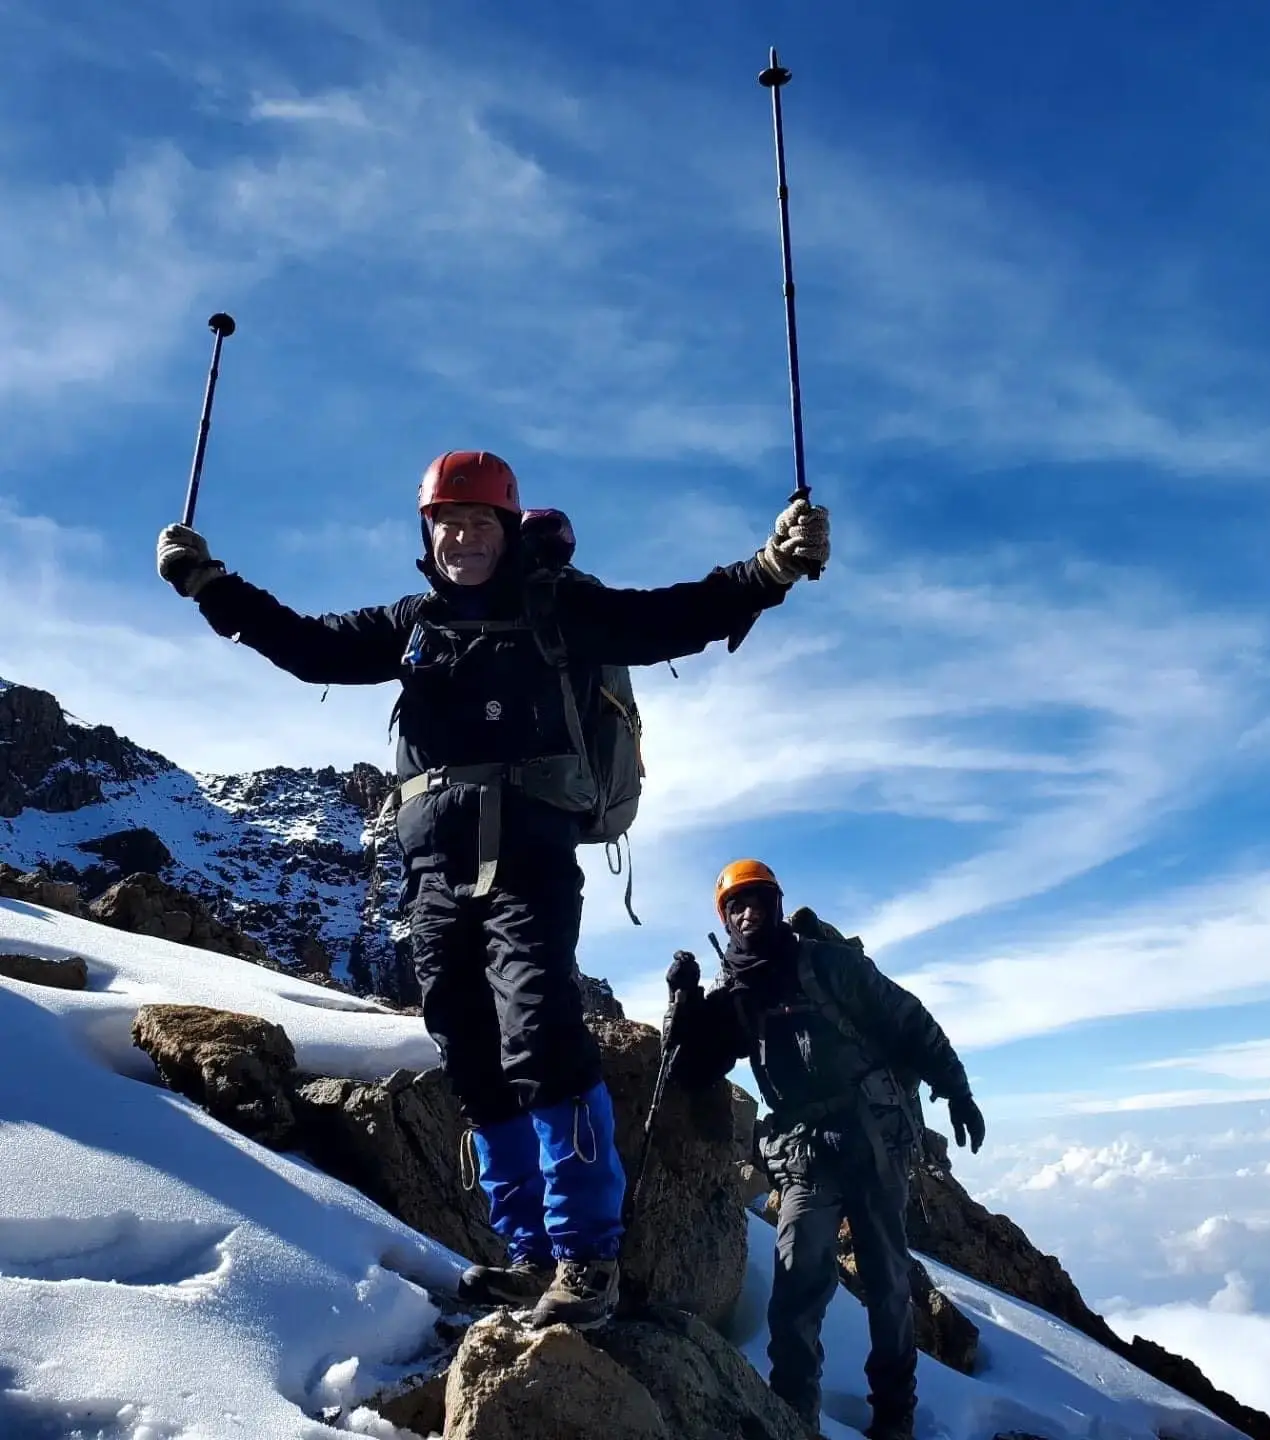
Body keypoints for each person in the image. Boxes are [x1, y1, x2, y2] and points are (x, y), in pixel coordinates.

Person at [155, 451, 829, 1329]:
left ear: (508, 534)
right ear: (427, 535)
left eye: (479, 525)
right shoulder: (410, 622)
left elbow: (673, 618)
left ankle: (588, 1258)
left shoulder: (559, 611)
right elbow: (305, 645)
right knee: (470, 1054)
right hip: (433, 874)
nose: (463, 540)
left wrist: (770, 570)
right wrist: (210, 584)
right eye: (447, 525)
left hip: (529, 863)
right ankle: (529, 1255)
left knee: (542, 1037)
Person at [665, 859, 985, 1440]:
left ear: (777, 905)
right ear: (726, 920)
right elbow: (691, 1069)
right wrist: (682, 1000)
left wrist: (956, 1089)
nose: (747, 912)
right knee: (794, 1294)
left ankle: (895, 1419)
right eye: (735, 906)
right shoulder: (739, 994)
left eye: (757, 900)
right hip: (806, 1159)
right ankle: (792, 1419)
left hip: (872, 1147)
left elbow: (908, 1019)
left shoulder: (827, 964)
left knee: (889, 1289)